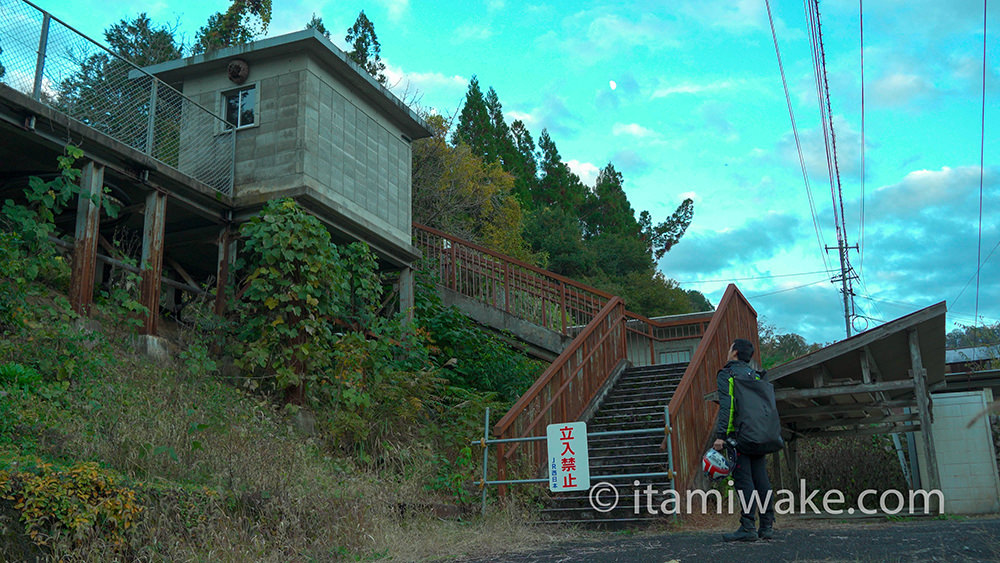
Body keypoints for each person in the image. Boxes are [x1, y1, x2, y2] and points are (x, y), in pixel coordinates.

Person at [712, 338, 774, 542]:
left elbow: (727, 405)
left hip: (739, 436)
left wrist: (721, 436)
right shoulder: (755, 376)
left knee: (744, 480)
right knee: (761, 479)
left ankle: (748, 527)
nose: (728, 350)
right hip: (759, 434)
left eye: (730, 347)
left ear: (735, 352)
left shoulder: (728, 374)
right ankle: (767, 526)